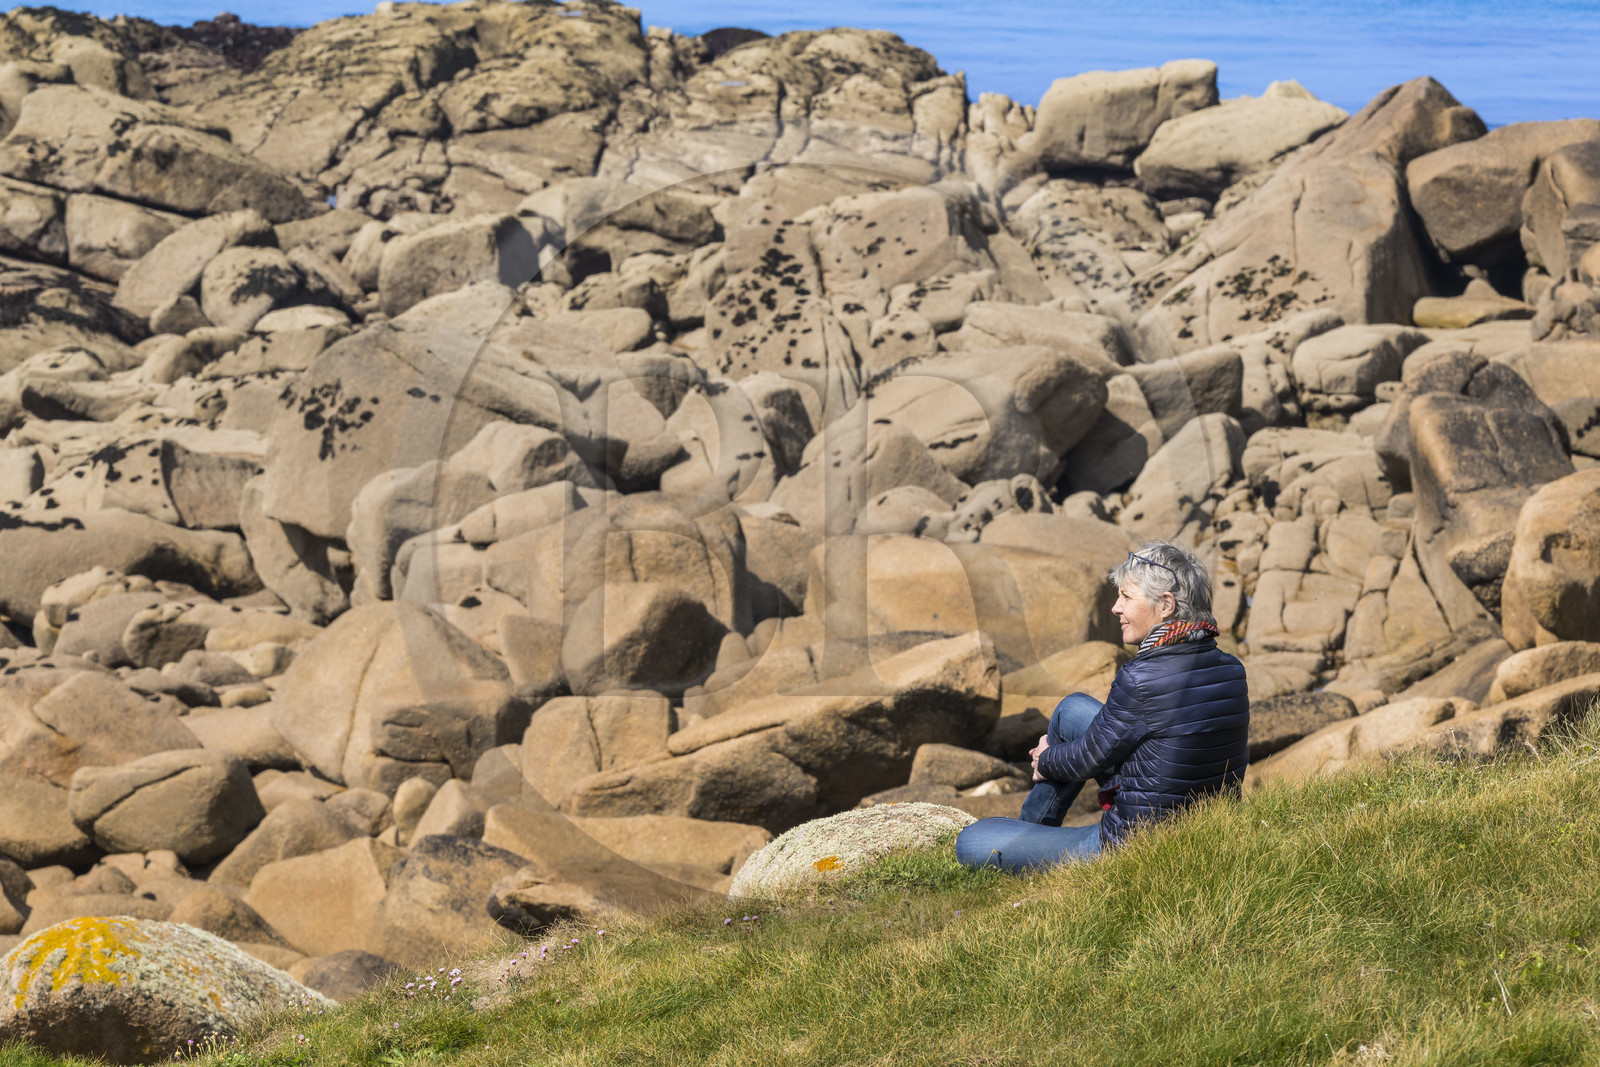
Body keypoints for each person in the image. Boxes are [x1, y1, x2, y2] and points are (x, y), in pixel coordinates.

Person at [955, 539, 1249, 873]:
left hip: (1137, 844)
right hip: (1205, 827)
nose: (1115, 608)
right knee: (1071, 709)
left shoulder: (1141, 679)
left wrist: (1045, 759)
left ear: (1165, 605)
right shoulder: (1231, 667)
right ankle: (1034, 831)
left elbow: (1086, 760)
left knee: (971, 842)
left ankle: (1029, 837)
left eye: (1126, 597)